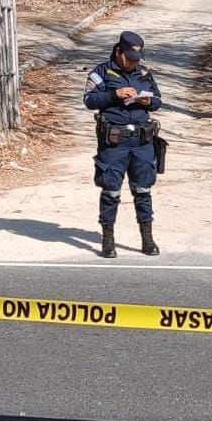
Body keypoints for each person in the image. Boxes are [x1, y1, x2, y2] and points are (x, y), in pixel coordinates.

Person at [82, 30, 163, 258]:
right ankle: (108, 240)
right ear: (119, 52)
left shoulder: (144, 74)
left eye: (137, 59)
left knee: (143, 190)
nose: (134, 63)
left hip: (142, 142)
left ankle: (147, 239)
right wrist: (114, 94)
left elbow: (158, 100)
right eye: (130, 58)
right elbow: (89, 100)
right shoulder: (101, 72)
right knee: (111, 191)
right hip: (114, 143)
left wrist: (149, 101)